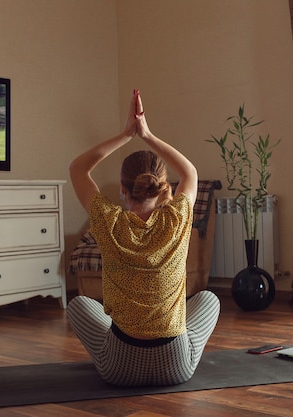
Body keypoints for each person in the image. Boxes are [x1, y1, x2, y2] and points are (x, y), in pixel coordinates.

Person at [67, 89, 221, 387]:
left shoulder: (106, 219)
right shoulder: (178, 218)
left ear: (122, 190)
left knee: (78, 305)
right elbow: (189, 172)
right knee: (209, 300)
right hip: (176, 368)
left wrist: (127, 134)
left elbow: (77, 168)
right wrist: (147, 134)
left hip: (118, 369)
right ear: (165, 188)